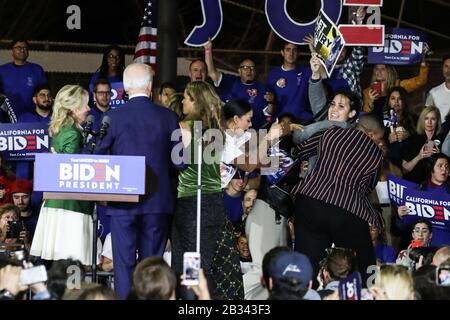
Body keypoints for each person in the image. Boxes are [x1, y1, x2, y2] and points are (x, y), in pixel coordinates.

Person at [93, 63, 182, 299]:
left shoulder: (111, 116)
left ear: (123, 89)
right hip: (157, 202)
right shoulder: (169, 116)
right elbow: (180, 162)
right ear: (151, 86)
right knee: (152, 265)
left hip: (122, 202)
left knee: (123, 266)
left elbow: (96, 158)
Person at [171, 81, 243, 300]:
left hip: (191, 203)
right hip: (214, 204)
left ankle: (192, 303)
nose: (182, 101)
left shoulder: (183, 128)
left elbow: (175, 163)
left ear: (195, 101)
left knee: (189, 261)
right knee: (207, 261)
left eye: (186, 97)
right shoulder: (217, 131)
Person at [293, 115, 385, 283]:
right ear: (371, 135)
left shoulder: (329, 133)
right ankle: (366, 291)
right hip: (346, 208)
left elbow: (301, 150)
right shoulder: (376, 155)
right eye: (379, 139)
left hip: (310, 200)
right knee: (363, 263)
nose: (380, 143)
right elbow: (369, 188)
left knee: (307, 265)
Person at [30, 85, 94, 267]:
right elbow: (71, 173)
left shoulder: (64, 130)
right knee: (71, 263)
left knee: (61, 263)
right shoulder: (73, 134)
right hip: (70, 207)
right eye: (85, 105)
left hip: (60, 204)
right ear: (74, 109)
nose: (89, 109)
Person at [204, 39, 275, 129]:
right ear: (239, 71)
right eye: (245, 68)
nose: (249, 71)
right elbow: (211, 72)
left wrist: (272, 102)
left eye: (252, 68)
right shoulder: (231, 81)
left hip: (253, 132)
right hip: (230, 131)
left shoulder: (262, 88)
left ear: (255, 71)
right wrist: (208, 50)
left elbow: (269, 112)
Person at [397, 153, 450, 247]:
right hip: (421, 248)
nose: (444, 169)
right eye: (440, 166)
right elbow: (401, 227)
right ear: (431, 169)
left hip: (446, 248)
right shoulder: (416, 192)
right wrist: (401, 217)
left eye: (446, 166)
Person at [363, 57, 429, 115]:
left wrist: (423, 65)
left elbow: (420, 81)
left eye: (383, 69)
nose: (379, 71)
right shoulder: (368, 91)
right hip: (377, 125)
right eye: (376, 69)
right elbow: (366, 115)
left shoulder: (399, 85)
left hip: (396, 124)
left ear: (390, 71)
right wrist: (370, 102)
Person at [0, 39, 47, 117]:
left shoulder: (37, 69)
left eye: (25, 48)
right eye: (18, 47)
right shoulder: (2, 70)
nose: (22, 50)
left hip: (33, 115)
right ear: (12, 51)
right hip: (7, 116)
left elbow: (44, 91)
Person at [266, 42, 312, 121]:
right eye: (288, 50)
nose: (291, 53)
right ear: (282, 52)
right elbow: (269, 103)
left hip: (301, 121)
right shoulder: (273, 74)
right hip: (280, 122)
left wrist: (313, 51)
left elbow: (322, 73)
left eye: (294, 50)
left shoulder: (306, 71)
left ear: (298, 53)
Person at [402, 106, 444, 183]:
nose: (429, 122)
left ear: (437, 121)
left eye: (433, 119)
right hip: (415, 183)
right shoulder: (412, 139)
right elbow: (404, 170)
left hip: (435, 185)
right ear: (422, 120)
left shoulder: (443, 139)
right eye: (426, 118)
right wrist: (419, 157)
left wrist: (440, 156)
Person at [426, 55, 450, 119]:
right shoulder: (433, 92)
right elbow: (427, 116)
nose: (448, 70)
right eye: (446, 66)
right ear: (442, 68)